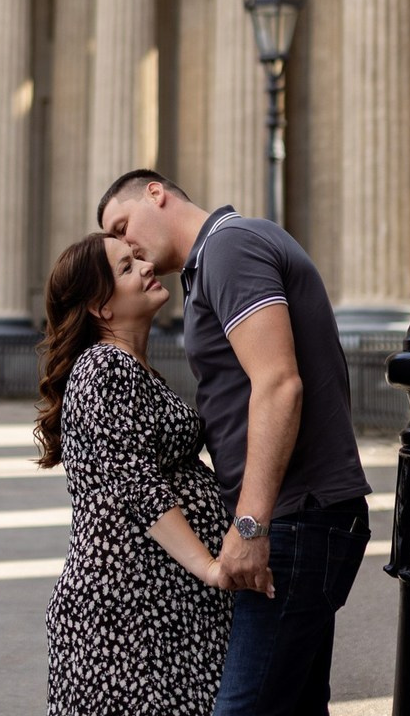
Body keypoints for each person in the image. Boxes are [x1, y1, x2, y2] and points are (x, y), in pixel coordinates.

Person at [98, 170, 371, 716]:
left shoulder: (228, 248)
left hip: (297, 516)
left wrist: (249, 525)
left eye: (123, 226)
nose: (127, 245)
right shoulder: (218, 258)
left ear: (158, 193)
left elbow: (278, 383)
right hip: (306, 515)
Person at [36, 232, 234, 716]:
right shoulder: (106, 366)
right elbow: (137, 485)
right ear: (101, 307)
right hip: (128, 611)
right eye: (127, 267)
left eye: (139, 259)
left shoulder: (133, 368)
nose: (147, 267)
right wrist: (209, 567)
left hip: (154, 602)